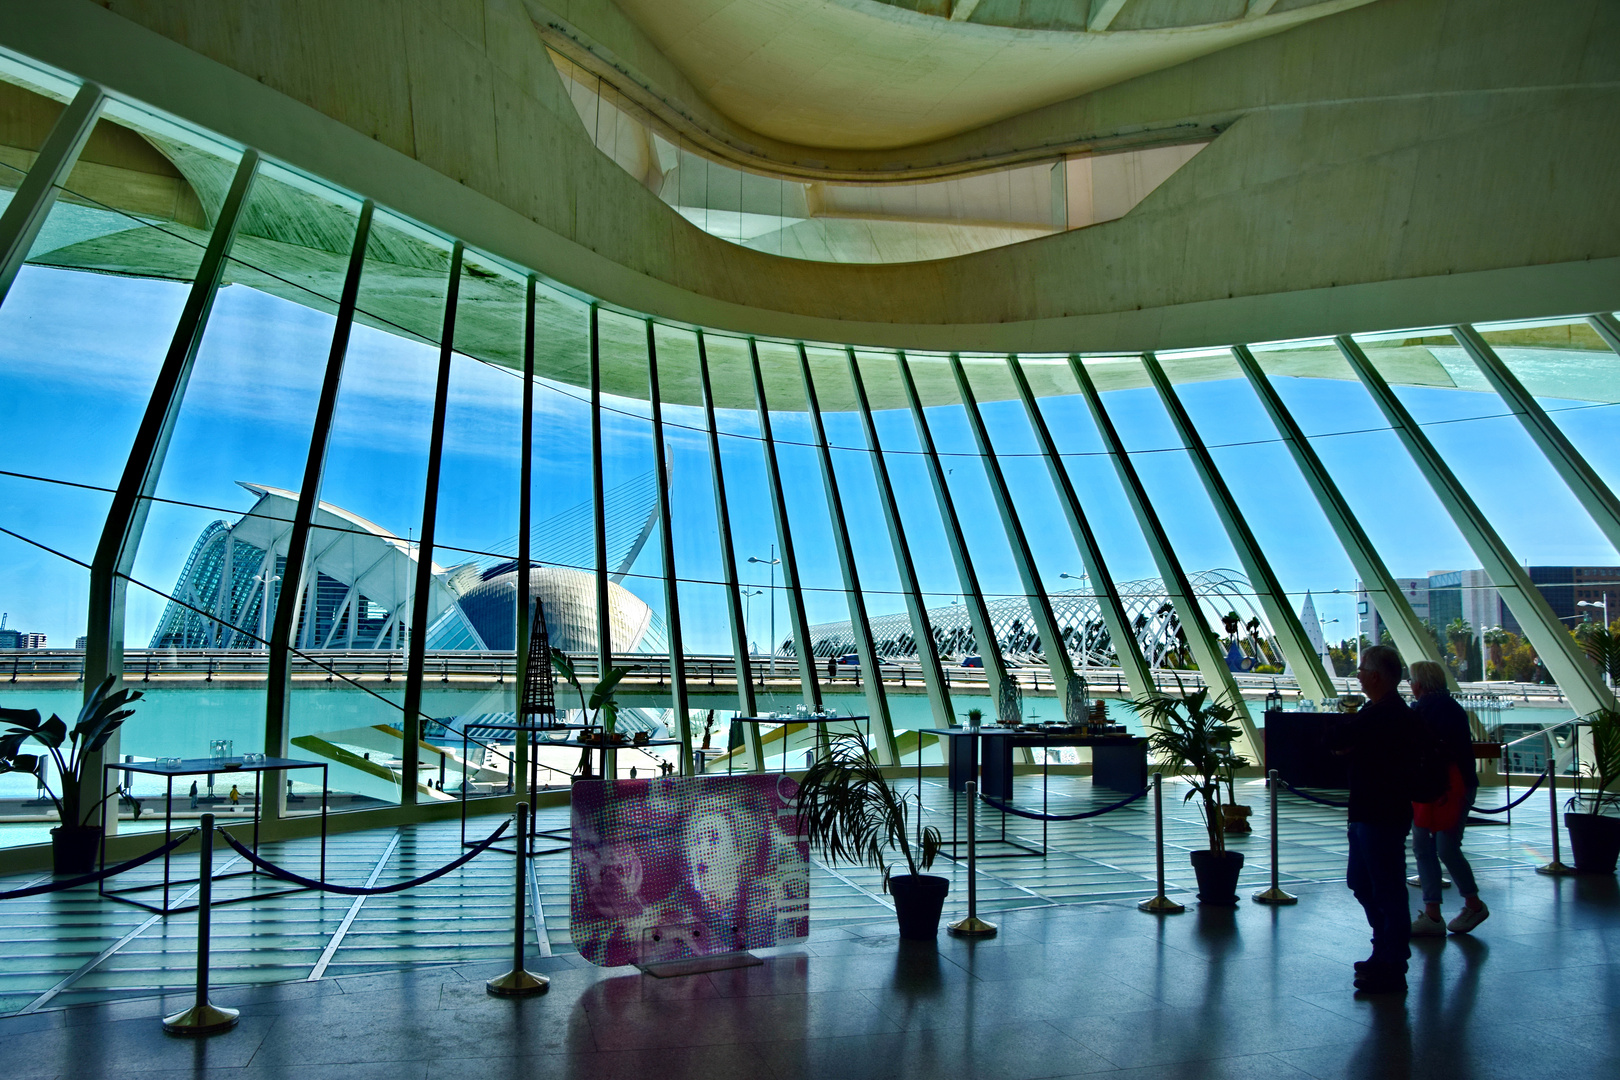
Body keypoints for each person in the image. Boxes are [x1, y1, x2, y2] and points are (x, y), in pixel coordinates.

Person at [1334, 644, 1417, 994]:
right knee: (1365, 882)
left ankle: (1392, 958)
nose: (1357, 675)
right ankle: (1384, 945)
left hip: (1380, 813)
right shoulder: (1381, 712)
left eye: (1361, 669)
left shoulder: (1387, 716)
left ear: (1377, 675)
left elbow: (1343, 742)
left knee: (1384, 887)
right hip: (1370, 812)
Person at [1408, 660, 1488, 936]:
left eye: (1411, 680)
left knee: (1428, 847)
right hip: (1452, 786)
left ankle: (1436, 912)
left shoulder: (1423, 710)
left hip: (1439, 790)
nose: (1410, 685)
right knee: (1446, 847)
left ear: (1419, 683)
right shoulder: (1449, 708)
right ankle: (1469, 902)